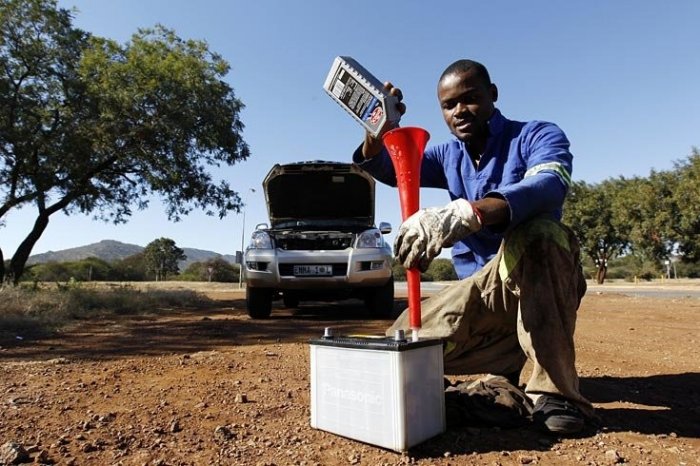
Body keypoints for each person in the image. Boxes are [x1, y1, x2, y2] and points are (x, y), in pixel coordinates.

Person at [351, 59, 594, 435]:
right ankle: (505, 367)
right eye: (449, 105)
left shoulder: (537, 135)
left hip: (533, 277)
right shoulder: (447, 156)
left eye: (470, 99)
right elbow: (386, 167)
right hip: (480, 290)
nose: (459, 111)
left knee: (542, 234)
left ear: (492, 95)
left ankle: (556, 394)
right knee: (403, 344)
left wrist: (470, 213)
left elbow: (549, 184)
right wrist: (377, 130)